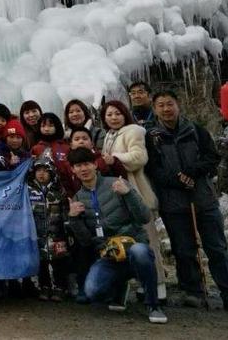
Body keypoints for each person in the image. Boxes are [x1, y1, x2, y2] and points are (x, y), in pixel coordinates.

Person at [146, 90, 228, 315]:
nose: (166, 109)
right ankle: (192, 291)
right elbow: (153, 169)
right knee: (183, 249)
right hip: (173, 202)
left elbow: (212, 157)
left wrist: (193, 172)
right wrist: (176, 179)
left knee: (217, 248)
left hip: (203, 198)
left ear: (178, 105)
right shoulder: (152, 137)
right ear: (155, 109)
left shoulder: (196, 130)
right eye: (161, 105)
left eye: (170, 104)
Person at [66, 147, 168, 325]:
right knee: (92, 291)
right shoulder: (77, 198)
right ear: (73, 170)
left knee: (140, 253)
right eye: (78, 165)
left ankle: (153, 305)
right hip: (109, 254)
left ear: (96, 164)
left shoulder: (117, 183)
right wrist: (73, 219)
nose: (83, 169)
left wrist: (128, 194)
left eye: (87, 164)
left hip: (134, 245)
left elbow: (145, 217)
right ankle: (120, 286)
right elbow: (86, 241)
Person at [101, 99, 166, 301]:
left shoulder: (134, 131)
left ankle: (158, 284)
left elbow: (139, 157)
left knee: (147, 239)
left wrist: (116, 159)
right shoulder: (109, 135)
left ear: (125, 114)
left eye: (117, 113)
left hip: (135, 191)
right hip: (117, 195)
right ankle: (135, 281)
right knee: (124, 241)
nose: (113, 117)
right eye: (109, 114)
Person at [28, 156, 71, 301]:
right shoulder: (29, 190)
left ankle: (60, 287)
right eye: (38, 170)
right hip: (37, 234)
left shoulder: (59, 190)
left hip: (57, 234)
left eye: (45, 171)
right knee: (42, 262)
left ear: (52, 172)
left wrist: (67, 229)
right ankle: (44, 286)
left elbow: (66, 211)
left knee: (59, 262)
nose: (41, 174)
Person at [56, 128, 127, 197]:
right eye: (77, 139)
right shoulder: (66, 164)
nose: (81, 141)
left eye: (85, 139)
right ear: (71, 145)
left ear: (92, 144)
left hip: (107, 197)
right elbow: (66, 186)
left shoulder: (103, 159)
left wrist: (114, 163)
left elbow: (121, 177)